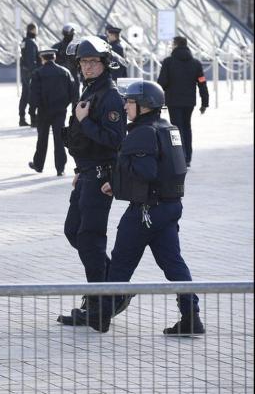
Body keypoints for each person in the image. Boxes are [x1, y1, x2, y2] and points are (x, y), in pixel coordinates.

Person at [88, 80, 203, 335]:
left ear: (144, 106)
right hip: (169, 207)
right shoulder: (169, 128)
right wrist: (116, 185)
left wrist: (121, 161)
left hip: (145, 211)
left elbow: (146, 171)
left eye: (129, 102)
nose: (126, 105)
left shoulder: (141, 132)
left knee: (119, 265)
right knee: (174, 264)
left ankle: (101, 317)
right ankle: (191, 316)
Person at [58, 37, 126, 325]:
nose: (87, 66)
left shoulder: (109, 95)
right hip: (87, 171)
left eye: (93, 62)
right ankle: (112, 291)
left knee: (90, 239)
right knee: (74, 231)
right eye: (84, 62)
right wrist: (78, 168)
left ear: (104, 63)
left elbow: (114, 140)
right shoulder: (90, 90)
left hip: (101, 176)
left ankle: (99, 304)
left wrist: (85, 121)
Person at [157, 36, 209, 168]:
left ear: (175, 45)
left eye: (172, 44)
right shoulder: (196, 63)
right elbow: (202, 83)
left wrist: (156, 98)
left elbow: (162, 82)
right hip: (189, 102)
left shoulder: (168, 62)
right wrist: (205, 102)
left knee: (176, 128)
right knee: (187, 127)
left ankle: (180, 156)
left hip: (173, 101)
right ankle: (188, 157)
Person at [28, 49, 73, 175]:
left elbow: (34, 95)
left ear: (43, 59)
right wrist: (65, 105)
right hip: (60, 111)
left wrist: (32, 111)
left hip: (44, 111)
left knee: (42, 138)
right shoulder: (64, 72)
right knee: (59, 139)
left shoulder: (38, 73)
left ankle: (38, 165)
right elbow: (72, 92)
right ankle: (60, 168)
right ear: (54, 58)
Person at [18, 23, 41, 126]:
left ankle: (22, 117)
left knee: (25, 94)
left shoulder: (24, 41)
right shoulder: (31, 42)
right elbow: (31, 59)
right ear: (33, 30)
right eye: (36, 29)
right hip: (30, 72)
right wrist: (35, 72)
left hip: (24, 71)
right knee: (32, 95)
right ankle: (33, 119)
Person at [53, 24, 79, 105]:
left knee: (72, 100)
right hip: (68, 77)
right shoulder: (76, 46)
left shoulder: (57, 47)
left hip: (65, 76)